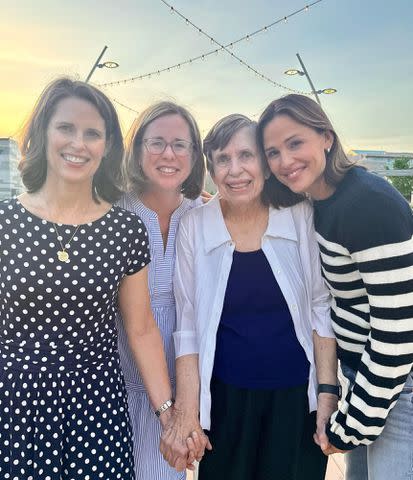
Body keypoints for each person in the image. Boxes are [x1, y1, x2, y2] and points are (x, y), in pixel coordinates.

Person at [0, 77, 180, 479]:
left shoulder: (125, 230)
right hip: (17, 406)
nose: (78, 144)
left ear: (108, 146)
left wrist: (168, 415)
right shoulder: (5, 224)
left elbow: (142, 328)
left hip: (96, 406)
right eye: (66, 128)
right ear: (43, 132)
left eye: (92, 133)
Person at [166, 114, 338, 480]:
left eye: (246, 155)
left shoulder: (298, 215)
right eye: (223, 159)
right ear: (210, 167)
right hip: (226, 404)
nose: (235, 170)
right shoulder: (195, 227)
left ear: (264, 162)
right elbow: (188, 326)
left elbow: (321, 307)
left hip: (295, 402)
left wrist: (327, 394)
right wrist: (187, 413)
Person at [256, 94, 413, 480]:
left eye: (295, 143)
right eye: (272, 152)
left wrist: (351, 426)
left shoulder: (367, 204)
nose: (285, 161)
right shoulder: (322, 201)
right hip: (365, 381)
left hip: (398, 385)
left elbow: (397, 335)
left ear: (326, 137)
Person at [116, 101, 207, 479]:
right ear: (137, 151)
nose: (168, 154)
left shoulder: (206, 217)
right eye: (156, 143)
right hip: (118, 383)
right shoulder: (112, 214)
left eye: (180, 144)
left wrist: (187, 408)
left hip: (186, 386)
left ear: (194, 154)